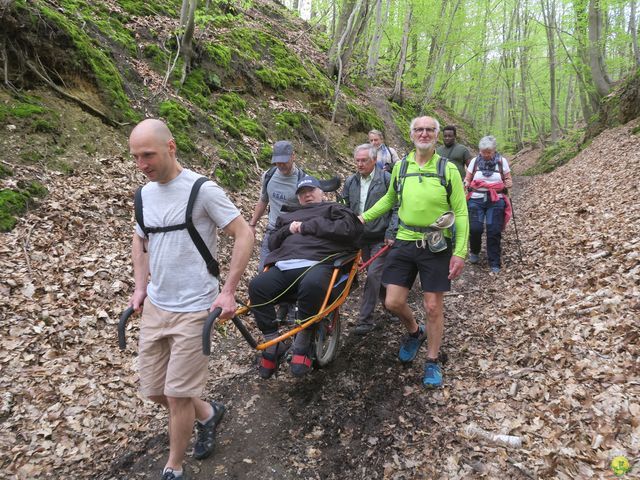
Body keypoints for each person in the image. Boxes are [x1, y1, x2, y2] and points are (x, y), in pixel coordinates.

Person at [128, 119, 254, 480]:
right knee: (155, 391)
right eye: (135, 157)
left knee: (178, 396)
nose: (142, 164)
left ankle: (174, 467)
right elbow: (140, 240)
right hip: (156, 306)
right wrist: (140, 287)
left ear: (171, 147)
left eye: (148, 155)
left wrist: (228, 290)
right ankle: (209, 413)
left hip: (196, 307)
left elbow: (243, 233)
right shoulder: (144, 195)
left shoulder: (202, 190)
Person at [361, 116, 468, 389]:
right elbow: (390, 199)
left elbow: (461, 211)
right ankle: (414, 331)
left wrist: (460, 251)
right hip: (405, 240)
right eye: (419, 129)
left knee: (433, 306)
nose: (424, 134)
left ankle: (432, 360)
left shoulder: (448, 169)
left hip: (436, 243)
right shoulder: (401, 166)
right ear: (411, 135)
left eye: (429, 130)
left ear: (436, 135)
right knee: (392, 302)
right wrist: (363, 218)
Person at [249, 175, 363, 378]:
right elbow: (273, 243)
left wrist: (305, 226)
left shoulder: (334, 209)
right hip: (285, 265)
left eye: (311, 190)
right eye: (302, 193)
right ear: (298, 198)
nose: (307, 195)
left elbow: (350, 229)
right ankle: (273, 341)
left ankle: (304, 335)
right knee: (257, 286)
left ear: (322, 193)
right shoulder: (287, 215)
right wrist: (288, 230)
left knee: (311, 284)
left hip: (319, 263)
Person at [339, 143, 396, 335]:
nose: (360, 164)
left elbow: (396, 207)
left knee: (372, 274)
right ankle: (392, 305)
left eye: (364, 160)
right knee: (375, 275)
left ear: (374, 161)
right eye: (357, 160)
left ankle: (365, 319)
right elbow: (344, 207)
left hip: (380, 236)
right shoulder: (350, 182)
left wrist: (391, 232)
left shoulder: (387, 179)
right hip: (359, 237)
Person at [248, 140, 306, 271]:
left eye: (284, 161)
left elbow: (309, 209)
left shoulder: (302, 180)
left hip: (293, 233)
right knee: (263, 270)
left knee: (285, 272)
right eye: (277, 161)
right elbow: (263, 200)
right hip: (272, 230)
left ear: (293, 156)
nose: (281, 165)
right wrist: (252, 224)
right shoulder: (269, 175)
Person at [464, 135, 513, 273]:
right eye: (483, 152)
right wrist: (466, 183)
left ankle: (494, 261)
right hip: (476, 199)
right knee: (475, 228)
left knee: (494, 230)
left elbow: (509, 179)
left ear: (494, 151)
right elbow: (467, 178)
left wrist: (508, 183)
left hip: (496, 200)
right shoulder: (474, 162)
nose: (485, 155)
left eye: (488, 152)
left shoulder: (501, 162)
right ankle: (474, 251)